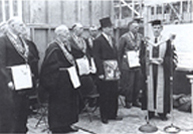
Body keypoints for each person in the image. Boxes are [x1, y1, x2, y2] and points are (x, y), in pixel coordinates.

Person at [40, 25, 79, 133]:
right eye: (65, 33)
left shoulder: (65, 45)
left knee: (68, 103)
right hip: (58, 81)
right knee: (58, 104)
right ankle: (57, 127)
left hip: (67, 80)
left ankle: (66, 124)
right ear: (59, 35)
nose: (68, 35)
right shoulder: (53, 47)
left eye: (67, 33)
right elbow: (49, 65)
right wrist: (62, 70)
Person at [140, 19, 177, 121]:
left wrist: (164, 60)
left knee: (162, 89)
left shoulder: (166, 41)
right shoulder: (147, 41)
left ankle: (162, 112)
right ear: (152, 29)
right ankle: (150, 111)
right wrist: (147, 60)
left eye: (158, 28)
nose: (156, 30)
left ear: (161, 29)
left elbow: (170, 56)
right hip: (150, 70)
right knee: (150, 89)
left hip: (162, 69)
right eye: (154, 28)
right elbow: (141, 56)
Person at [0, 16, 32, 133]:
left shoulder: (21, 40)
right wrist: (7, 80)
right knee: (12, 108)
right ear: (12, 26)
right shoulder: (3, 40)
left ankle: (21, 130)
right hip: (10, 80)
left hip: (22, 78)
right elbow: (1, 62)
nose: (22, 27)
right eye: (20, 25)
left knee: (23, 106)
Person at [93, 17, 122, 124]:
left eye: (111, 27)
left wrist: (118, 69)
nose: (111, 30)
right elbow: (96, 57)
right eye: (109, 28)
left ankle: (113, 114)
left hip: (114, 70)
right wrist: (100, 72)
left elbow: (116, 55)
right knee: (105, 93)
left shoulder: (112, 39)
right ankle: (104, 116)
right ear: (103, 29)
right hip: (104, 70)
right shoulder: (98, 40)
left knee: (114, 92)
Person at [69, 23, 97, 111]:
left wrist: (89, 63)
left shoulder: (84, 40)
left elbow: (88, 52)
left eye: (82, 29)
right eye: (80, 29)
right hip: (76, 65)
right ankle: (78, 106)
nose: (82, 31)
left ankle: (85, 102)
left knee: (87, 82)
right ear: (74, 30)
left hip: (84, 64)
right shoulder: (70, 40)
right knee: (78, 85)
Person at [118, 19, 143, 108]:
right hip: (127, 63)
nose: (137, 29)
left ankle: (135, 99)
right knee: (129, 83)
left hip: (137, 62)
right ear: (130, 28)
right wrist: (120, 65)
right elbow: (119, 51)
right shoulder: (124, 37)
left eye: (138, 27)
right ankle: (128, 100)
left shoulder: (140, 36)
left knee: (137, 82)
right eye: (135, 27)